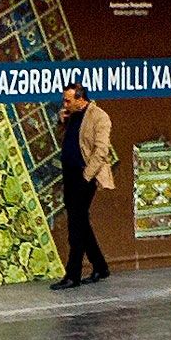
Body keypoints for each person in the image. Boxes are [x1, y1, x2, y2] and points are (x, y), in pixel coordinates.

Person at [51, 78, 117, 285]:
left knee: (76, 226)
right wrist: (62, 123)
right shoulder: (72, 116)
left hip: (85, 175)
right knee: (79, 221)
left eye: (68, 101)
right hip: (69, 173)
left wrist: (86, 175)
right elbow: (70, 141)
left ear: (81, 99)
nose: (65, 104)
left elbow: (101, 151)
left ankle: (73, 274)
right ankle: (100, 266)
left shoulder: (99, 117)